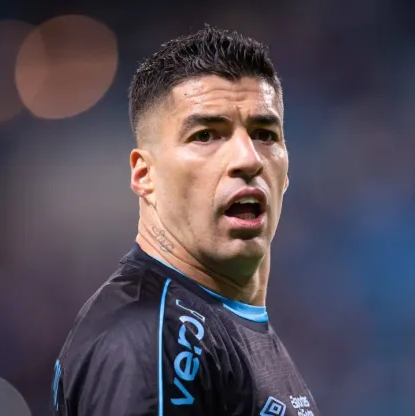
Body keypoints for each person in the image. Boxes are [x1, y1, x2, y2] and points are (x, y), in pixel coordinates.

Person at [52, 25, 318, 416]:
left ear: (287, 169)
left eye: (264, 134)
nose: (249, 159)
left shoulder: (225, 324)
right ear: (145, 174)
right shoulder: (149, 338)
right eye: (206, 135)